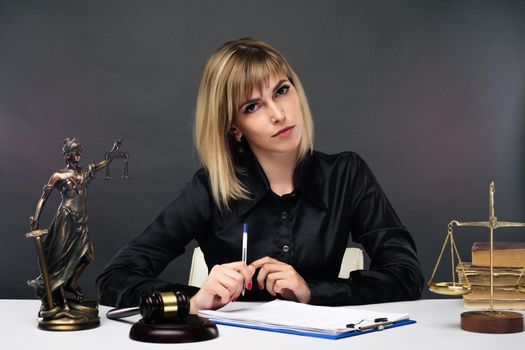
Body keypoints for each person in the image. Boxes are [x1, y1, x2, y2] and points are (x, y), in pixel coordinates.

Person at [97, 38, 424, 314]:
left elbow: (406, 276)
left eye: (281, 91)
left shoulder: (346, 174)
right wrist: (194, 300)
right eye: (253, 106)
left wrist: (311, 291)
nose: (279, 114)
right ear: (234, 128)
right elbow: (114, 280)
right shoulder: (211, 188)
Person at [29, 137, 122, 312]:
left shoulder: (86, 171)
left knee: (88, 256)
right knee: (60, 258)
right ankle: (57, 297)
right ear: (67, 155)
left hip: (81, 219)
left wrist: (114, 149)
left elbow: (105, 162)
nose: (79, 154)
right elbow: (44, 197)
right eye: (75, 152)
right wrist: (36, 219)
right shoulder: (58, 175)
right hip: (66, 218)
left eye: (80, 151)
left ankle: (70, 284)